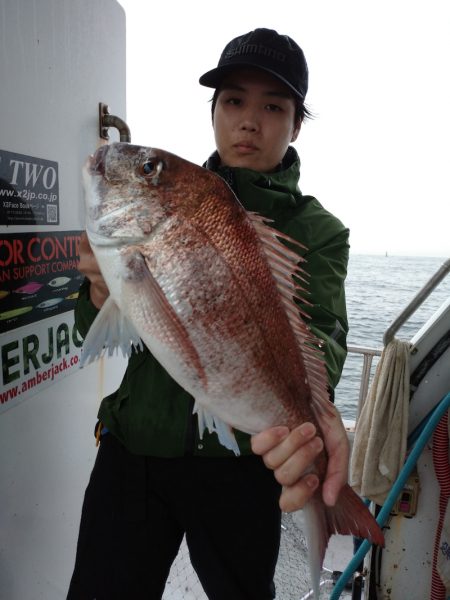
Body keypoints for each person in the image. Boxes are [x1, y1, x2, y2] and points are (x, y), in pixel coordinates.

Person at [68, 27, 350, 600]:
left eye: (273, 106)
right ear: (214, 111)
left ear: (296, 124)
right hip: (134, 447)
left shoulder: (319, 232)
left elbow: (325, 338)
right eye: (233, 101)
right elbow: (92, 328)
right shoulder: (167, 197)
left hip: (240, 462)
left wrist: (310, 417)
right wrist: (98, 294)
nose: (250, 121)